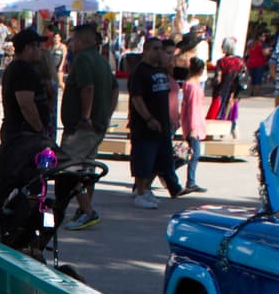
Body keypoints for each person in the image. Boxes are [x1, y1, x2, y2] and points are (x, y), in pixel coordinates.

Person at [61, 22, 117, 230]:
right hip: (98, 126)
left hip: (82, 128)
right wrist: (106, 115)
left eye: (73, 40)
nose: (71, 44)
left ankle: (87, 211)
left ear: (83, 40)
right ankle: (84, 209)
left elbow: (87, 88)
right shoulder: (102, 61)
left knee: (70, 167)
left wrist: (85, 116)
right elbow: (114, 90)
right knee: (87, 169)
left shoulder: (83, 59)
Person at [128, 37, 181, 209]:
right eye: (155, 49)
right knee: (143, 158)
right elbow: (137, 98)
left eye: (161, 49)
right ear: (146, 50)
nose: (159, 52)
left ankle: (147, 189)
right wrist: (148, 118)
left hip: (163, 124)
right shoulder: (140, 72)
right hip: (145, 125)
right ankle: (140, 192)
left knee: (160, 160)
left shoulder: (162, 71)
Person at [0, 27, 51, 145]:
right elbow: (26, 104)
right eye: (37, 46)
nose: (40, 49)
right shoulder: (23, 70)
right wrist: (40, 130)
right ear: (27, 48)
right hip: (24, 134)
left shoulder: (20, 68)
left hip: (20, 133)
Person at [180, 57, 208, 196]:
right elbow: (193, 108)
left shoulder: (188, 84)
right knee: (194, 154)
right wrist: (193, 128)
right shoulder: (194, 87)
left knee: (189, 153)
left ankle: (168, 171)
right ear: (201, 70)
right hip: (194, 124)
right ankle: (190, 182)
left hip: (191, 122)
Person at [207, 37, 245, 138]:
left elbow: (217, 79)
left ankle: (214, 133)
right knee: (231, 113)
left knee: (216, 112)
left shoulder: (221, 62)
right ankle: (233, 131)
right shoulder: (240, 61)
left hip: (221, 92)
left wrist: (211, 83)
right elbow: (243, 78)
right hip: (234, 92)